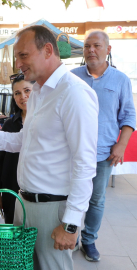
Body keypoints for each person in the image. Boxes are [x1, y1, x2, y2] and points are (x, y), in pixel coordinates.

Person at [0, 25, 99, 270]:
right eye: (17, 57)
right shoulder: (39, 92)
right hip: (25, 205)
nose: (18, 64)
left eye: (23, 55)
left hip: (52, 209)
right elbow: (26, 141)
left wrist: (71, 224)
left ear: (47, 50)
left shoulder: (74, 93)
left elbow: (85, 163)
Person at [71, 30, 136, 262]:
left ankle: (88, 240)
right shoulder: (72, 76)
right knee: (69, 196)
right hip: (72, 152)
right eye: (87, 46)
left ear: (108, 50)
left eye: (96, 45)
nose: (91, 50)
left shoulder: (120, 80)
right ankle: (70, 236)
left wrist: (121, 145)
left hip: (103, 153)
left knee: (96, 199)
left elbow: (129, 115)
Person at [0, 74, 34, 224]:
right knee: (13, 232)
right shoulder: (9, 124)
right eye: (17, 93)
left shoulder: (46, 123)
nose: (23, 97)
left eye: (27, 90)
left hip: (37, 190)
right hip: (11, 189)